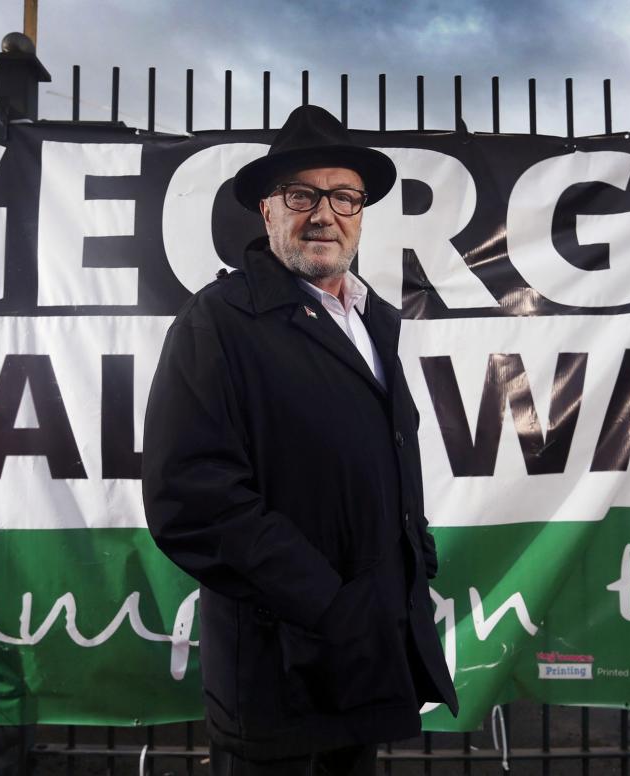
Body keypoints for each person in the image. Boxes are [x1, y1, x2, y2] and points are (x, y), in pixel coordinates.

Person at [142, 105, 458, 775]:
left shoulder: (371, 322)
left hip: (364, 659)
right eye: (301, 195)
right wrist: (328, 605)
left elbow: (388, 455)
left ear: (361, 212)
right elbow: (192, 499)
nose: (324, 214)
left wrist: (412, 558)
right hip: (277, 673)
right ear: (266, 210)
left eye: (344, 197)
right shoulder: (218, 322)